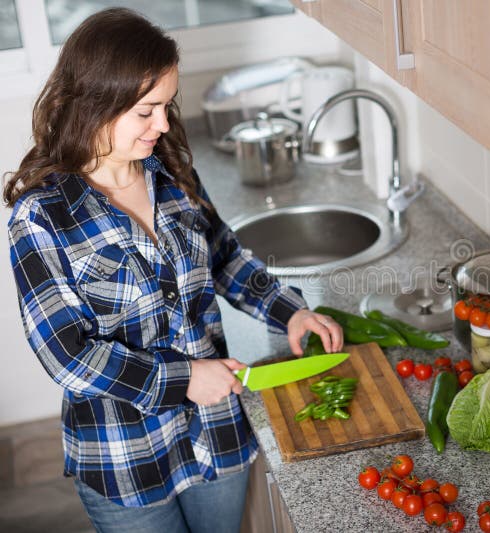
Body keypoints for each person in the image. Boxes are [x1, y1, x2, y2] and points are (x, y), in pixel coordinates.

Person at [4, 8, 343, 532]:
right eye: (146, 111)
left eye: (166, 106)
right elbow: (69, 357)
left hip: (215, 437)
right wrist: (184, 379)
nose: (162, 125)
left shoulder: (172, 173)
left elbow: (225, 256)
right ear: (96, 104)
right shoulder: (44, 216)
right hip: (125, 460)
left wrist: (290, 313)